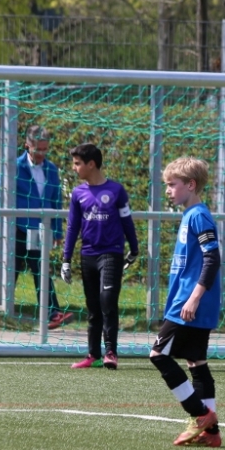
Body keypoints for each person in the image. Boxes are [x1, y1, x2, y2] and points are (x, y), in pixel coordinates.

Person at [147, 156, 223, 447]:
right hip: (190, 301)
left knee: (158, 355)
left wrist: (193, 298)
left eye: (172, 184)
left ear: (190, 185)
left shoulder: (199, 215)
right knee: (196, 361)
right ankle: (211, 434)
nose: (168, 190)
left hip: (189, 303)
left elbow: (212, 259)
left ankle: (199, 414)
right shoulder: (190, 214)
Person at [60, 143, 140, 370]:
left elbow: (127, 221)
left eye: (77, 163)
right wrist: (66, 260)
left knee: (107, 301)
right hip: (88, 255)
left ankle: (111, 352)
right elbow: (72, 227)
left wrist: (134, 249)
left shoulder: (116, 191)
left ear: (91, 164)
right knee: (93, 307)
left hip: (111, 253)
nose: (74, 168)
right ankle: (93, 354)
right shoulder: (78, 193)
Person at [0, 125, 73, 330]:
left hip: (39, 229)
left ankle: (53, 313)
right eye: (37, 149)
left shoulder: (51, 169)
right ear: (27, 145)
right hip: (17, 228)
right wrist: (4, 220)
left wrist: (57, 231)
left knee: (41, 270)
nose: (41, 153)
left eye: (45, 149)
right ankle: (4, 311)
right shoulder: (14, 167)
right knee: (12, 270)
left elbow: (55, 201)